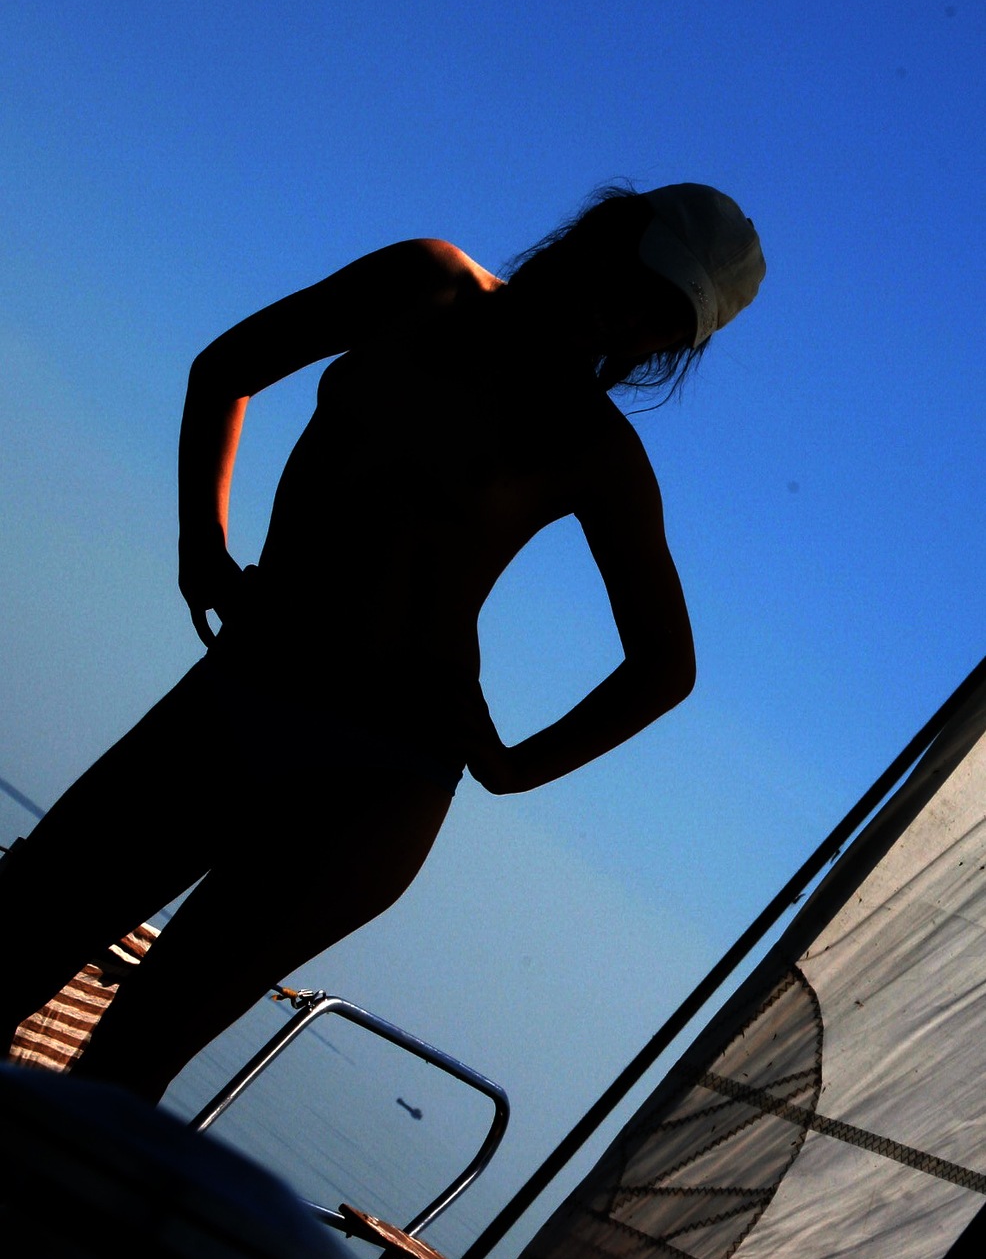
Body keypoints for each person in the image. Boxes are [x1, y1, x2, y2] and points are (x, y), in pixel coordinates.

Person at [0, 182, 765, 1103]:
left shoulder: (597, 450)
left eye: (665, 321)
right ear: (608, 234)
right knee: (14, 943)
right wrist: (201, 547)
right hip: (243, 687)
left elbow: (665, 667)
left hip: (377, 778)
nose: (632, 317)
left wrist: (513, 767)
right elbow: (228, 367)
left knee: (125, 1068)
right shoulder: (425, 282)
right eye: (644, 280)